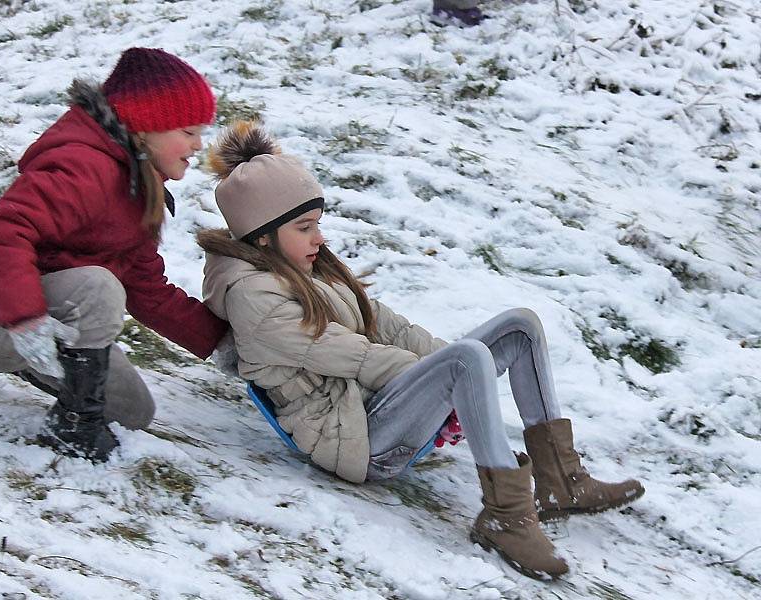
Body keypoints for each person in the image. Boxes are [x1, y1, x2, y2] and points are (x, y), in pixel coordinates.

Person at [197, 121, 645, 580]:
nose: (320, 238)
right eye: (305, 227)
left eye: (318, 225)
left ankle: (560, 481)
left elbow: (392, 326)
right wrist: (448, 380)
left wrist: (450, 375)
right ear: (264, 235)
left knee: (520, 327)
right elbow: (353, 355)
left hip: (377, 407)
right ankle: (506, 516)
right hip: (353, 436)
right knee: (465, 360)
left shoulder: (310, 268)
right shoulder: (253, 296)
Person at [0, 48, 230, 462]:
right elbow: (5, 233)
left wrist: (218, 341)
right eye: (188, 131)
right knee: (99, 285)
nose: (198, 145)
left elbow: (146, 288)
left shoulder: (140, 185)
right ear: (147, 127)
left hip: (56, 320)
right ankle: (72, 426)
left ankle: (29, 369)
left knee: (133, 412)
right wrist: (26, 320)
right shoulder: (83, 168)